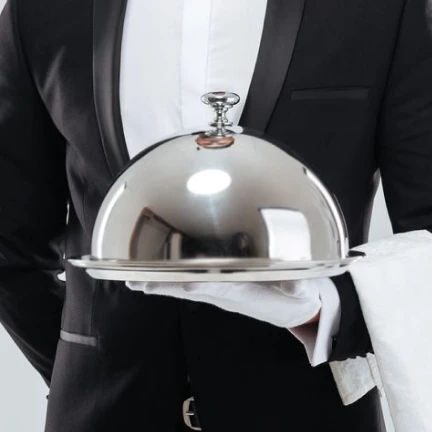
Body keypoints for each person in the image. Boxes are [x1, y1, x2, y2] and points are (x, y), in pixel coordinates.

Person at [0, 0, 430, 430]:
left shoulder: (388, 8)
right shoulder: (41, 9)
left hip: (310, 414)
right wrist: (81, 374)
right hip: (100, 416)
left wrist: (325, 312)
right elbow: (10, 246)